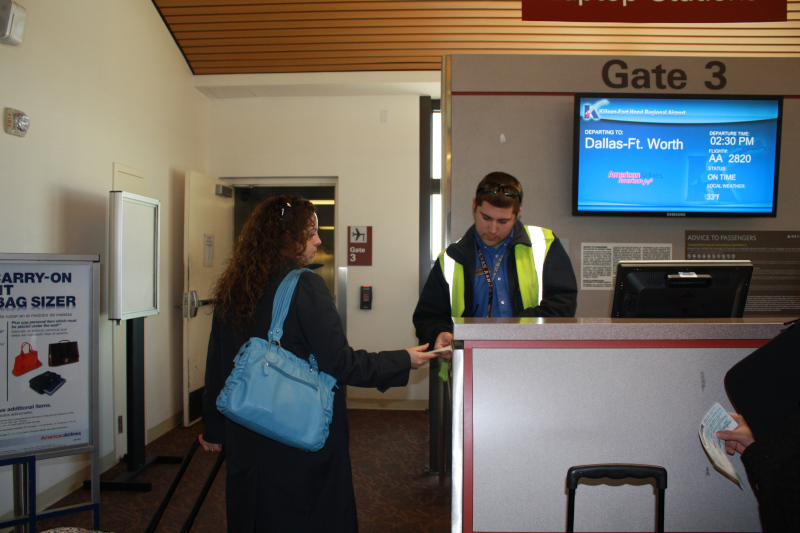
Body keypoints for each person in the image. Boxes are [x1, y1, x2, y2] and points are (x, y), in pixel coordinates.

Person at [200, 195, 440, 532]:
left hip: (245, 433)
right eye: (311, 232)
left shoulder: (236, 286)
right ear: (288, 238)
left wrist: (213, 426)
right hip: (296, 437)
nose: (318, 240)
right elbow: (340, 363)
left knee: (253, 516)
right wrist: (404, 360)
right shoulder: (306, 285)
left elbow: (219, 362)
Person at [413, 171, 578, 350]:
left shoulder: (545, 244)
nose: (492, 229)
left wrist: (514, 331)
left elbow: (563, 305)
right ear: (474, 205)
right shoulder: (450, 259)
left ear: (518, 214)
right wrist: (438, 335)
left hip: (533, 358)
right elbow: (427, 318)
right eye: (486, 218)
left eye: (503, 221)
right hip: (470, 363)